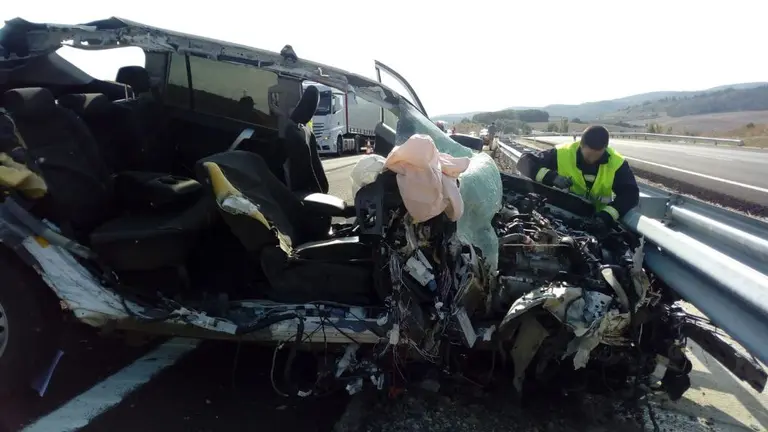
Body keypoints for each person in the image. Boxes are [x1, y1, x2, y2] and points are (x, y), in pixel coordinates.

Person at [516, 125, 639, 232]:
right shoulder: (563, 153)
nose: (591, 161)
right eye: (588, 156)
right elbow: (524, 162)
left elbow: (630, 195)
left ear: (605, 148)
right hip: (563, 216)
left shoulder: (617, 163)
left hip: (597, 222)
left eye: (596, 157)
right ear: (581, 145)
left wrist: (606, 216)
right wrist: (552, 177)